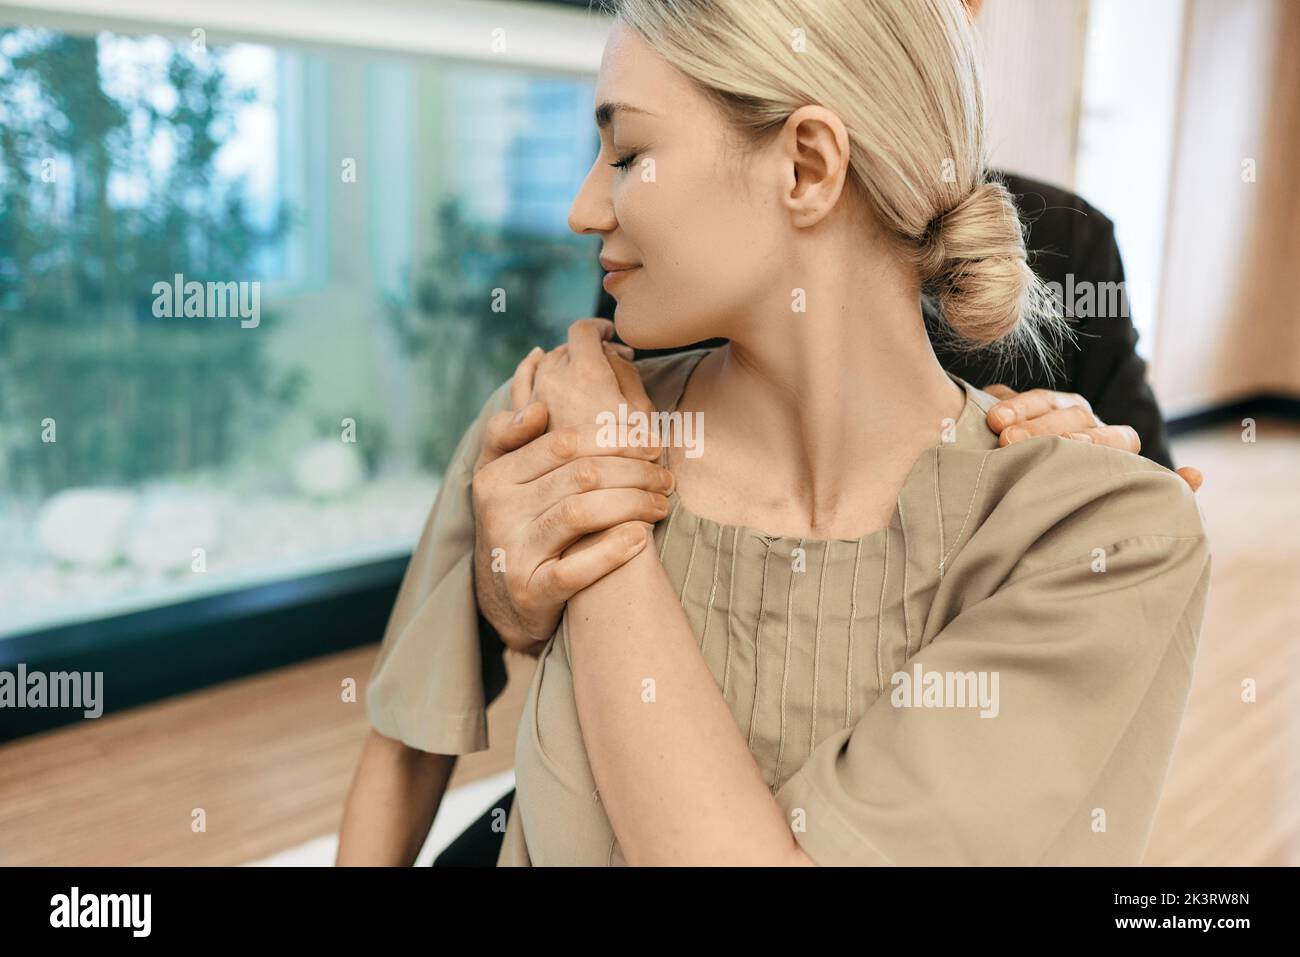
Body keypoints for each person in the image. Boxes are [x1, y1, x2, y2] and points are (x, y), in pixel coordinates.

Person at [339, 0, 1210, 866]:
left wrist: (607, 531)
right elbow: (406, 740)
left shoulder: (1088, 529)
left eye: (630, 153)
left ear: (806, 167)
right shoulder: (552, 416)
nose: (580, 210)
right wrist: (514, 590)